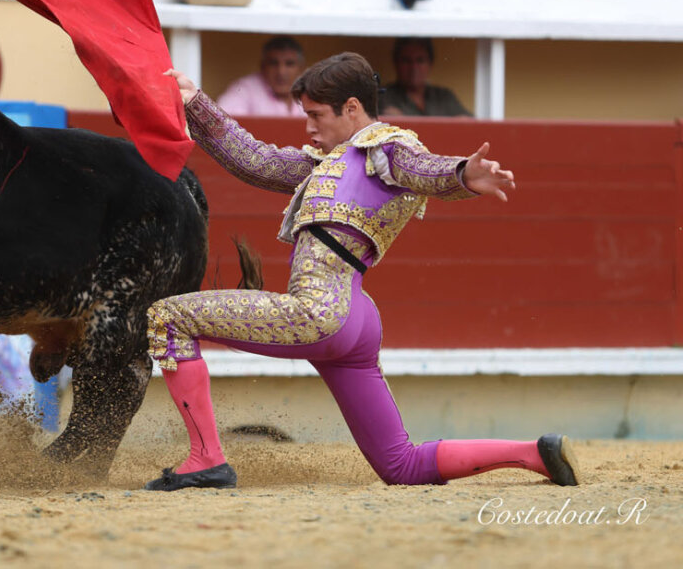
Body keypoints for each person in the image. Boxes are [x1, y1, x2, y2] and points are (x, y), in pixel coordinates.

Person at [147, 53, 576, 491]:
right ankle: (534, 453)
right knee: (401, 466)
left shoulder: (387, 148)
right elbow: (256, 161)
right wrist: (195, 102)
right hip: (355, 320)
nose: (308, 127)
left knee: (168, 317)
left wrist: (463, 173)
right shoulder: (329, 163)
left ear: (351, 108)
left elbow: (423, 169)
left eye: (316, 115)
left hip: (319, 311)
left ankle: (206, 459)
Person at [215, 35, 306, 117]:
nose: (281, 72)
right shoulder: (245, 89)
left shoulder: (309, 91)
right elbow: (222, 120)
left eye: (289, 64)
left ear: (301, 68)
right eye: (273, 63)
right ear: (263, 67)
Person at [379, 37, 471, 116]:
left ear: (430, 64)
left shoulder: (443, 96)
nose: (414, 67)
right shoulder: (383, 96)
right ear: (396, 63)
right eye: (406, 61)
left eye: (420, 60)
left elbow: (468, 121)